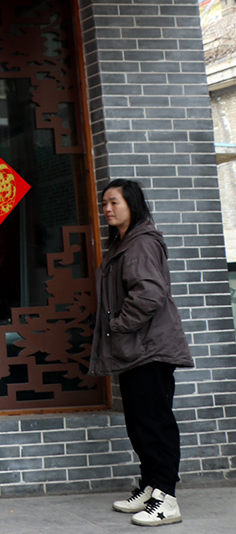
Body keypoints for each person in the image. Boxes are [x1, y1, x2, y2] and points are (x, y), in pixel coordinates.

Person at [89, 179, 193, 527]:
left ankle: (167, 497)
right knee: (138, 422)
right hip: (136, 349)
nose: (107, 209)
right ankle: (150, 487)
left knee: (155, 423)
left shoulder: (142, 243)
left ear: (132, 204)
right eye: (104, 203)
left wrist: (117, 325)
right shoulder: (124, 242)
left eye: (114, 202)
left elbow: (149, 295)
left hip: (151, 348)